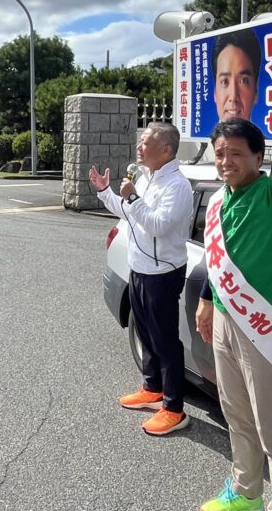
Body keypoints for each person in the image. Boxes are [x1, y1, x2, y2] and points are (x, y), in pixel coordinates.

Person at [195, 34, 272, 511]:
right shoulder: (218, 199)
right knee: (236, 416)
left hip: (261, 327)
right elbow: (216, 257)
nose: (225, 162)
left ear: (258, 158)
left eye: (235, 154)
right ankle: (244, 492)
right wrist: (207, 300)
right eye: (219, 154)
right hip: (227, 319)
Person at [88, 122, 194, 436]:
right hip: (141, 269)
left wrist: (133, 198)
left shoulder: (177, 185)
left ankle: (174, 409)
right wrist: (106, 192)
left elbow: (158, 225)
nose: (139, 146)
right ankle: (152, 388)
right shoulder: (147, 178)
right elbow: (130, 213)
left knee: (165, 342)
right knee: (145, 333)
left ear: (166, 149)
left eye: (146, 141)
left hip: (163, 273)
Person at [213, 29, 262, 123]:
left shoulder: (264, 138)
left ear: (255, 91)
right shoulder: (203, 138)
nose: (233, 97)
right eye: (225, 82)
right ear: (215, 93)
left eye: (244, 81)